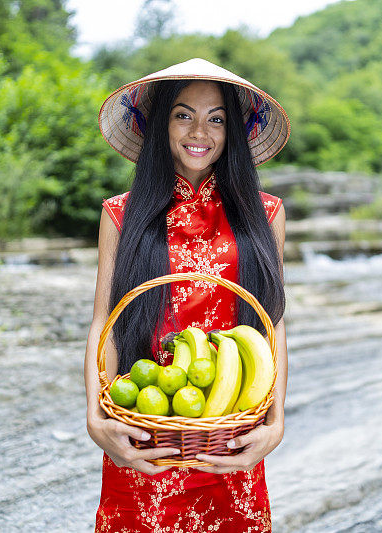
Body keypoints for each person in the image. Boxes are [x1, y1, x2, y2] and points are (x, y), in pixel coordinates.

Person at [84, 58, 291, 532]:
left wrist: (275, 424)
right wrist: (97, 418)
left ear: (233, 130)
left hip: (229, 435)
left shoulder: (266, 213)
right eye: (183, 114)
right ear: (161, 124)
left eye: (216, 118)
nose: (200, 131)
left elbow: (272, 324)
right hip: (145, 435)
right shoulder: (121, 214)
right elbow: (105, 324)